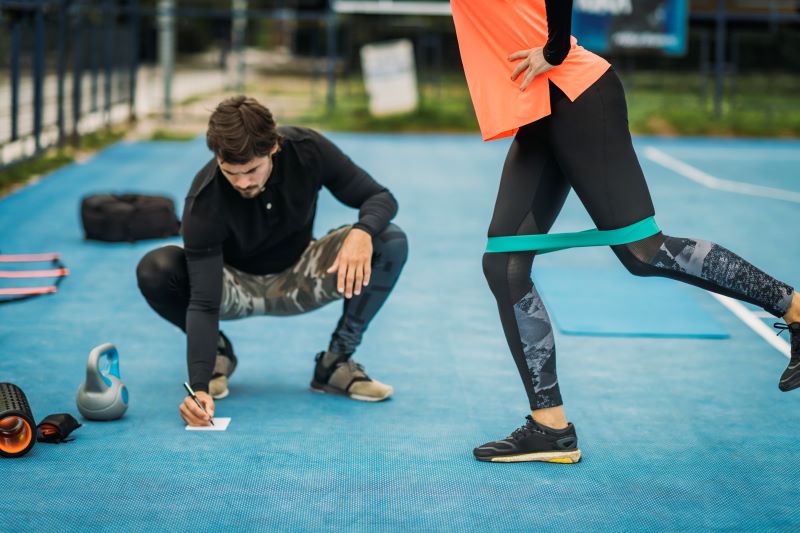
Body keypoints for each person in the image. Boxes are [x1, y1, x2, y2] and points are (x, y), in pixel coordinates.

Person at [450, 0, 800, 463]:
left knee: (643, 251)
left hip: (574, 94)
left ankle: (793, 305)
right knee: (504, 262)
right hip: (537, 106)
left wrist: (555, 49)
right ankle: (550, 427)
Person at [136, 96, 408, 426]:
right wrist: (199, 387)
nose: (243, 182)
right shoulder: (204, 202)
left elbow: (380, 197)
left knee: (388, 239)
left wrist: (362, 232)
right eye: (230, 172)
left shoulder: (308, 149)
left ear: (274, 147)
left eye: (252, 169)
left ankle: (335, 363)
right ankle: (217, 356)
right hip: (233, 286)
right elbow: (206, 303)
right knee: (155, 268)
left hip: (301, 275)